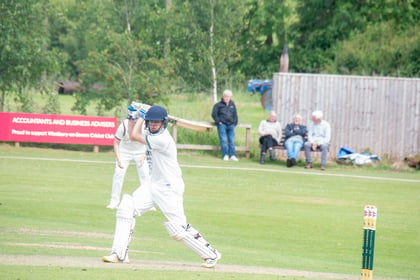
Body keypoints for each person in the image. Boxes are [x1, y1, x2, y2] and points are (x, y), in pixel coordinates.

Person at [102, 105, 221, 268]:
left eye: (156, 122)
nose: (152, 124)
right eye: (150, 121)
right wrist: (132, 117)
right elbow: (131, 134)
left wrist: (142, 116)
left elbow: (135, 136)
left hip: (169, 188)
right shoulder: (150, 132)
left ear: (164, 123)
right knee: (126, 208)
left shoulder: (163, 139)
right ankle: (118, 253)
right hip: (153, 184)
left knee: (178, 229)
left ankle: (211, 254)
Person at [107, 102, 150, 209]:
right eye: (132, 119)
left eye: (136, 119)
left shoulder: (144, 126)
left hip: (140, 152)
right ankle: (114, 201)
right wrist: (119, 159)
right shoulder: (124, 126)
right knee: (118, 174)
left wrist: (144, 155)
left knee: (145, 175)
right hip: (124, 152)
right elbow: (116, 143)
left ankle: (148, 203)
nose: (134, 121)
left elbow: (149, 142)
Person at [211, 89, 239, 161]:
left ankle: (232, 155)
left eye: (228, 96)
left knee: (231, 140)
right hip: (222, 125)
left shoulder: (232, 104)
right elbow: (214, 114)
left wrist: (235, 122)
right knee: (223, 140)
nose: (227, 98)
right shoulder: (218, 105)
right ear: (223, 96)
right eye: (226, 96)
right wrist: (218, 121)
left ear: (231, 97)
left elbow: (235, 114)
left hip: (231, 125)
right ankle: (225, 155)